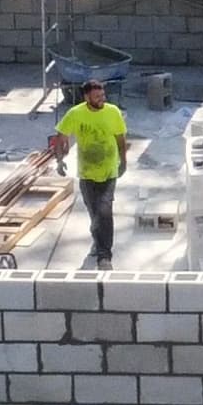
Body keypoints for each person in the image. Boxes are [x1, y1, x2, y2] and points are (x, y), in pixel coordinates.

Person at [49, 78, 134, 269]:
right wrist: (60, 160)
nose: (101, 99)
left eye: (103, 95)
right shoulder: (75, 114)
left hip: (109, 170)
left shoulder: (113, 112)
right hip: (87, 172)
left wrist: (123, 162)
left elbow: (120, 138)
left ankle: (104, 256)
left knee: (104, 211)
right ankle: (98, 237)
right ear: (86, 97)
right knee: (94, 212)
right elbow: (61, 137)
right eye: (97, 97)